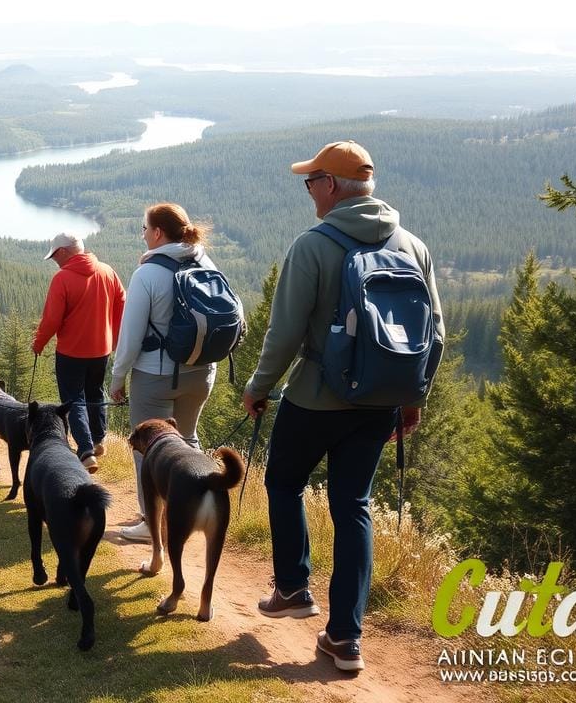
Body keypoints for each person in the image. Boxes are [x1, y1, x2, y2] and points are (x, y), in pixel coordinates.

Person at [243, 140, 443, 673]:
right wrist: (412, 397)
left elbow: (283, 333)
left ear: (331, 186)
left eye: (311, 181)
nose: (308, 189)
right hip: (381, 401)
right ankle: (345, 638)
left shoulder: (313, 245)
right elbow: (434, 334)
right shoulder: (412, 245)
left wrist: (258, 387)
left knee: (284, 484)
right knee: (352, 505)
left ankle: (292, 588)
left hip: (314, 397)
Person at [109, 203, 219, 541]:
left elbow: (129, 337)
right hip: (201, 373)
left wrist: (117, 378)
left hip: (155, 377)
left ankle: (151, 524)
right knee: (187, 440)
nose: (142, 234)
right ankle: (194, 510)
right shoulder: (204, 261)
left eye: (144, 228)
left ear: (158, 233)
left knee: (149, 449)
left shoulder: (148, 274)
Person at [32, 232, 126, 472]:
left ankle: (85, 452)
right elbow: (122, 305)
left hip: (71, 352)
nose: (54, 260)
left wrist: (39, 343)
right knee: (95, 393)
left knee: (74, 399)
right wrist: (113, 340)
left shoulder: (62, 278)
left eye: (54, 255)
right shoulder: (107, 271)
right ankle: (98, 440)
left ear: (64, 252)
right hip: (101, 350)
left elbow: (52, 319)